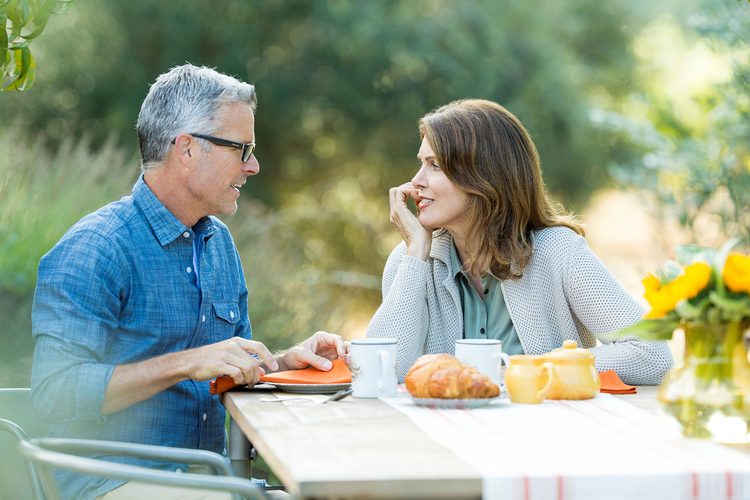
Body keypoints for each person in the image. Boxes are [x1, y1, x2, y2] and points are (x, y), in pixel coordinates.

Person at [30, 64, 345, 500]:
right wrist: (185, 362)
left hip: (207, 480)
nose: (253, 166)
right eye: (243, 149)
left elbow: (222, 369)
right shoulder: (95, 248)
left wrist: (286, 363)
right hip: (106, 481)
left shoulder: (218, 242)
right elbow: (52, 395)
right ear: (187, 149)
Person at [366, 99, 673, 385]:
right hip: (448, 437)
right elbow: (383, 371)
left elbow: (652, 354)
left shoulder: (558, 251)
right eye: (421, 163)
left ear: (483, 174)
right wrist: (416, 253)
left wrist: (529, 370)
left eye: (435, 165)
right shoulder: (411, 261)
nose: (416, 181)